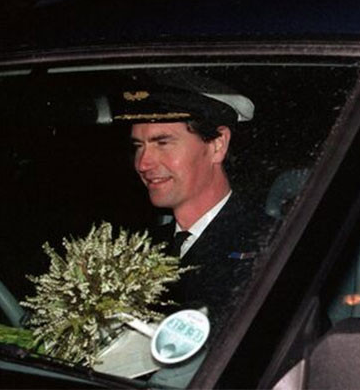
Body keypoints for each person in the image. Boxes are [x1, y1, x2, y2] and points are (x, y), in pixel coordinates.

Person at [113, 82, 274, 337]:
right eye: (138, 146)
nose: (143, 163)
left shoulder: (269, 243)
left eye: (162, 143)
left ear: (217, 145)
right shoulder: (137, 248)